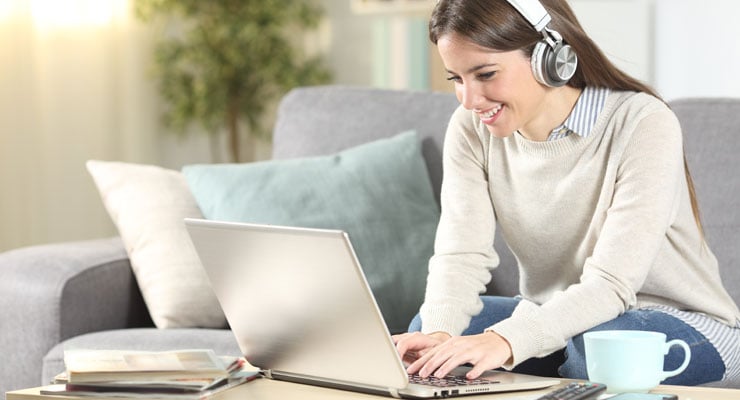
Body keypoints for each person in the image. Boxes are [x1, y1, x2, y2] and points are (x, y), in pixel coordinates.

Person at [392, 0, 740, 386]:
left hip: (679, 320)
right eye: (456, 79)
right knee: (426, 334)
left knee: (595, 349)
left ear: (550, 57)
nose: (471, 100)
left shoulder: (642, 122)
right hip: (557, 316)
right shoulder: (471, 128)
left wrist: (506, 340)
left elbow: (611, 284)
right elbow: (460, 255)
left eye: (486, 74)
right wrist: (441, 333)